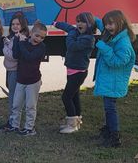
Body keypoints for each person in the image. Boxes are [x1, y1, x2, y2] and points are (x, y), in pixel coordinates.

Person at [93, 10, 136, 147]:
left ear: (120, 23)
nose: (107, 27)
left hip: (114, 82)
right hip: (110, 81)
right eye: (106, 24)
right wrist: (92, 17)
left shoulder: (123, 43)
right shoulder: (115, 34)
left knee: (110, 109)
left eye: (110, 24)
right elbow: (101, 25)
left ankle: (114, 137)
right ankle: (108, 130)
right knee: (108, 108)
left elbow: (117, 62)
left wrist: (104, 48)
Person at [53, 12, 96, 134]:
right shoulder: (76, 31)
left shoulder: (89, 39)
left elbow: (72, 46)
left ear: (90, 24)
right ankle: (76, 120)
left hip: (78, 73)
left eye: (82, 22)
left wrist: (71, 34)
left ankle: (71, 124)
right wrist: (55, 23)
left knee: (66, 97)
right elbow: (67, 27)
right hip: (72, 71)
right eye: (77, 21)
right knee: (74, 95)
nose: (79, 24)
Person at [2, 22, 47, 136]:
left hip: (33, 81)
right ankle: (14, 125)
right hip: (21, 79)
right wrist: (17, 40)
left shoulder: (41, 47)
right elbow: (16, 55)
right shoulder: (24, 42)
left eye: (42, 37)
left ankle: (29, 128)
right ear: (31, 33)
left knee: (30, 106)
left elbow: (29, 56)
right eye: (37, 35)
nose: (39, 39)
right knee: (16, 104)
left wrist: (21, 42)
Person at [2, 13, 29, 121]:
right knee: (13, 94)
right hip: (10, 70)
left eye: (18, 24)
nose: (15, 26)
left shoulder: (21, 38)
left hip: (15, 70)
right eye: (13, 24)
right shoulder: (14, 37)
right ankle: (13, 119)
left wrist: (5, 47)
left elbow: (14, 56)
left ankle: (12, 121)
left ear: (22, 25)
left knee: (13, 96)